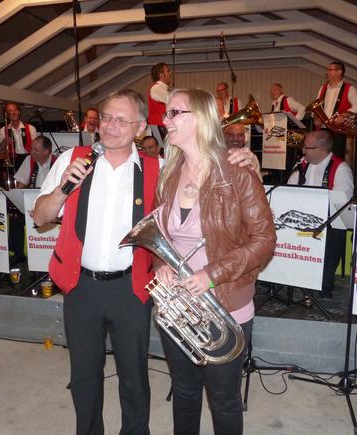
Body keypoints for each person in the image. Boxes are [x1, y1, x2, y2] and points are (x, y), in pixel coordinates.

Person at [33, 88, 263, 435]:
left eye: (121, 120)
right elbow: (40, 218)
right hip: (80, 285)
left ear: (140, 128)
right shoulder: (71, 160)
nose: (109, 126)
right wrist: (61, 189)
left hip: (132, 288)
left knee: (134, 376)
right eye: (105, 117)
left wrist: (246, 160)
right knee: (84, 376)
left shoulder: (159, 169)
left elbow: (199, 183)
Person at [154, 88, 277, 434]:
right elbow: (159, 236)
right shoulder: (168, 174)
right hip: (178, 306)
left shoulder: (236, 171)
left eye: (174, 112)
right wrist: (160, 264)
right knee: (184, 391)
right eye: (166, 113)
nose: (165, 120)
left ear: (200, 118)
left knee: (223, 400)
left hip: (224, 304)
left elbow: (265, 240)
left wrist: (211, 275)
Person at [287, 130, 354, 298]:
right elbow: (288, 191)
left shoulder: (340, 168)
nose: (303, 151)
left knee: (334, 233)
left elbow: (342, 201)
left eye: (307, 148)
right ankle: (292, 277)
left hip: (329, 222)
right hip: (304, 219)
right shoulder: (301, 165)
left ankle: (324, 284)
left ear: (321, 149)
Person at [314, 61, 357, 159]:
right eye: (327, 70)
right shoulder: (323, 88)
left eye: (330, 70)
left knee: (336, 159)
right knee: (321, 158)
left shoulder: (350, 88)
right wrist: (316, 118)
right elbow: (316, 107)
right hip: (322, 130)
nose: (327, 72)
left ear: (339, 72)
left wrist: (344, 115)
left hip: (338, 131)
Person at [0, 101, 37, 171]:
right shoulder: (3, 130)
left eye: (15, 110)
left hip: (28, 158)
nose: (13, 112)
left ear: (19, 112)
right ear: (6, 114)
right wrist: (4, 141)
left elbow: (36, 147)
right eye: (10, 111)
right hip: (12, 160)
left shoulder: (31, 128)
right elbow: (0, 149)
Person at [147, 62, 172, 143]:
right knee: (161, 148)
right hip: (158, 126)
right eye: (168, 71)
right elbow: (172, 101)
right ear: (161, 75)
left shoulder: (161, 88)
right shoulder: (157, 88)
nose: (170, 73)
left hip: (161, 126)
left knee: (164, 148)